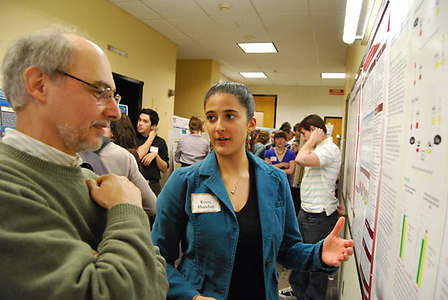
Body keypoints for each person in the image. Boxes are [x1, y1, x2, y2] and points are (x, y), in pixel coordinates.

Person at [0, 27, 168, 299]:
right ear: (39, 85)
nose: (114, 112)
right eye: (100, 91)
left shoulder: (89, 177)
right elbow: (124, 291)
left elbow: (156, 282)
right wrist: (126, 209)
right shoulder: (8, 186)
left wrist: (110, 261)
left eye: (114, 96)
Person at [151, 82, 353, 300]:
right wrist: (192, 297)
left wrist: (318, 254)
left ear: (250, 124)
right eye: (211, 117)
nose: (218, 126)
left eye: (229, 116)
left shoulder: (274, 181)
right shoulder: (184, 182)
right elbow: (156, 260)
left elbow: (286, 247)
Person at [287, 114, 342, 300]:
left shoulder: (329, 149)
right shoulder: (319, 148)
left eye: (304, 134)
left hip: (319, 216)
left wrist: (311, 141)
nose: (303, 138)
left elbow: (300, 159)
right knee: (300, 254)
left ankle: (311, 297)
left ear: (313, 130)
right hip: (307, 211)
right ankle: (298, 292)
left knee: (316, 262)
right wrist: (312, 142)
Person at [98, 116, 157, 217]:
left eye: (106, 126)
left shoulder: (125, 155)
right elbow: (151, 207)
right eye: (139, 120)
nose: (140, 123)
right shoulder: (128, 153)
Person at [136, 108, 169, 196]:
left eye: (145, 121)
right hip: (135, 183)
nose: (140, 123)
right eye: (139, 120)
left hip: (153, 184)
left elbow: (164, 169)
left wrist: (156, 156)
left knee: (154, 209)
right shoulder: (132, 138)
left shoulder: (160, 142)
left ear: (153, 126)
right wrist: (151, 137)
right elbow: (138, 155)